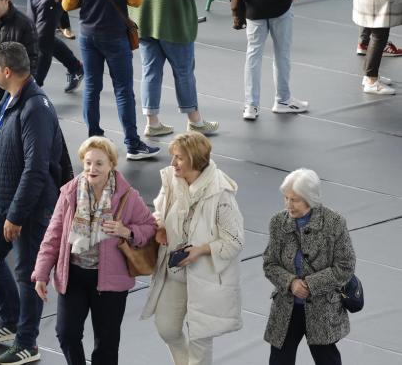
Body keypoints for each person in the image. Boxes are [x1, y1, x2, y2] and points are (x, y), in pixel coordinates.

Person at [0, 41, 67, 365]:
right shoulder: (11, 98)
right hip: (4, 197)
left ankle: (27, 342)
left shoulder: (36, 108)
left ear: (8, 71)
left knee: (29, 273)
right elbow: (0, 147)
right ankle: (10, 319)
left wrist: (15, 215)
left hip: (30, 206)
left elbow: (37, 168)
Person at [33, 136, 157, 365]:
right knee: (66, 334)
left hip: (110, 283)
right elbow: (53, 235)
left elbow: (150, 227)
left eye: (99, 163)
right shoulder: (69, 193)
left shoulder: (127, 196)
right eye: (88, 162)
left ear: (111, 165)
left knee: (106, 345)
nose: (92, 168)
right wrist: (41, 273)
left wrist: (126, 231)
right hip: (73, 277)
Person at [141, 132, 244, 365]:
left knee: (200, 339)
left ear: (194, 159)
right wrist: (160, 224)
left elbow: (235, 240)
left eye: (178, 158)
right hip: (175, 271)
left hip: (206, 277)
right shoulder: (171, 181)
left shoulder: (221, 193)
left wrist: (201, 250)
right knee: (166, 328)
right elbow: (160, 210)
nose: (172, 163)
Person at [62, 0, 160, 160]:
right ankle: (133, 144)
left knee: (92, 88)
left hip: (87, 34)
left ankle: (93, 138)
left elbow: (67, 4)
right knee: (123, 90)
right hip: (115, 35)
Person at [128, 0, 218, 138]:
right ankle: (195, 121)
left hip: (145, 24)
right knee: (184, 72)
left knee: (150, 73)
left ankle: (152, 122)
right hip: (176, 25)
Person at [263, 169, 357, 365]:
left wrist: (310, 285)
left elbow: (346, 266)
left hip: (323, 310)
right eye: (286, 198)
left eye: (294, 199)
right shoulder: (277, 222)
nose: (288, 204)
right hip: (286, 308)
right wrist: (291, 283)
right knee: (279, 361)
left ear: (310, 198)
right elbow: (270, 263)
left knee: (327, 360)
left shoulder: (334, 223)